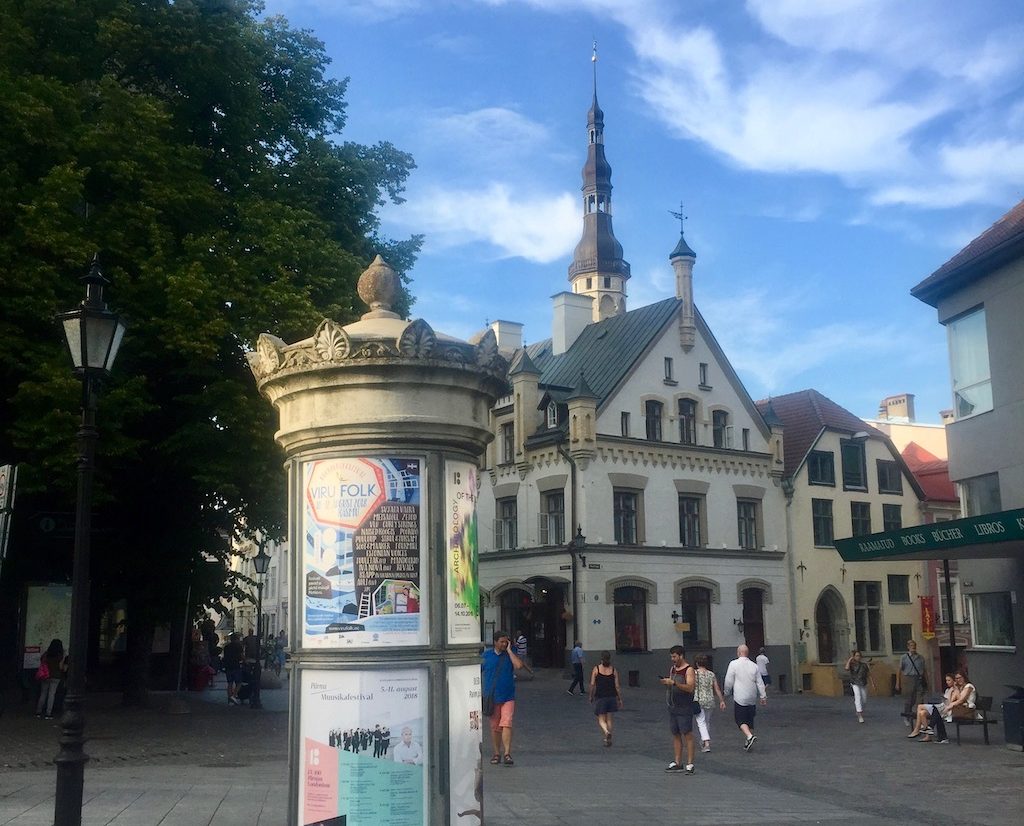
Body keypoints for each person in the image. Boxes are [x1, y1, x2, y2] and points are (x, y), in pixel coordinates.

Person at [482, 629, 525, 766]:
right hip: (492, 696)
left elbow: (519, 665)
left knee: (507, 723)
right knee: (495, 727)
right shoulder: (486, 656)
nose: (504, 644)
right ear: (495, 642)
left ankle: (507, 753)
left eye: (506, 641)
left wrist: (510, 651)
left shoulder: (509, 655)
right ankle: (496, 753)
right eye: (501, 641)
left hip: (508, 695)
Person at [660, 644, 696, 774]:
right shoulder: (673, 669)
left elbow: (690, 687)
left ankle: (690, 763)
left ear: (681, 656)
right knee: (675, 734)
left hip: (684, 706)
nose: (673, 659)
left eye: (674, 656)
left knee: (687, 734)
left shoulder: (689, 670)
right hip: (673, 706)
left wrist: (675, 683)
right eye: (671, 657)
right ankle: (677, 762)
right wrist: (667, 683)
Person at [723, 644, 767, 751]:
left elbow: (729, 680)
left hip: (740, 696)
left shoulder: (733, 664)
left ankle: (749, 736)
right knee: (749, 719)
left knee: (740, 720)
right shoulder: (754, 666)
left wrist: (726, 692)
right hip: (752, 696)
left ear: (738, 653)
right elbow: (760, 682)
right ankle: (748, 741)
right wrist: (763, 696)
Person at [922, 671, 978, 743]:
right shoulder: (959, 688)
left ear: (964, 677)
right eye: (956, 678)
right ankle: (938, 734)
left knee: (937, 711)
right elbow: (952, 700)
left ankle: (934, 730)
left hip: (967, 710)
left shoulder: (969, 686)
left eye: (960, 678)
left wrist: (950, 705)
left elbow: (961, 700)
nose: (958, 680)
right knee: (937, 711)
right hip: (958, 708)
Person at [693, 653, 727, 753]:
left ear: (697, 663)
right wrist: (721, 700)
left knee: (701, 722)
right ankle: (703, 741)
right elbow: (716, 688)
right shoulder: (711, 674)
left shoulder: (694, 673)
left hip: (698, 700)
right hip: (710, 699)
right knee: (706, 721)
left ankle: (706, 743)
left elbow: (692, 686)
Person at [589, 651, 623, 746]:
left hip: (601, 696)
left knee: (601, 719)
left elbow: (592, 684)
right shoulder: (613, 670)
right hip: (612, 697)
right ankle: (607, 740)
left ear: (601, 658)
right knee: (609, 719)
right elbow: (617, 686)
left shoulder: (596, 669)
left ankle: (606, 732)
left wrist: (591, 696)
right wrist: (619, 699)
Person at [909, 673, 955, 738]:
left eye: (949, 680)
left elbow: (950, 702)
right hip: (940, 706)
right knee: (922, 713)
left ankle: (917, 729)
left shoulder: (954, 690)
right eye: (946, 680)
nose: (947, 682)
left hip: (943, 709)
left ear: (954, 681)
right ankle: (928, 735)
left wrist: (950, 692)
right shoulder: (947, 690)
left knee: (920, 706)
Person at [896, 640, 927, 724]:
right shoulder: (904, 657)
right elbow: (899, 670)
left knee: (920, 700)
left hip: (919, 679)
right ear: (908, 647)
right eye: (911, 645)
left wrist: (926, 682)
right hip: (908, 679)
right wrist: (898, 683)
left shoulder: (920, 658)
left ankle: (919, 718)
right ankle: (907, 716)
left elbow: (924, 670)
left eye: (914, 645)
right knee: (909, 700)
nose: (913, 647)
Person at [35, 639, 66, 720]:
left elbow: (42, 661)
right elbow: (61, 667)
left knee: (43, 693)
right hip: (56, 676)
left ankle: (38, 712)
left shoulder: (47, 654)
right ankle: (48, 713)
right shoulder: (60, 655)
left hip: (46, 675)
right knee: (51, 694)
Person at [844, 650, 876, 723]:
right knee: (858, 696)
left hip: (863, 683)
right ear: (854, 657)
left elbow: (868, 674)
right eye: (856, 656)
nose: (858, 657)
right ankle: (859, 714)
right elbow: (846, 668)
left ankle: (860, 710)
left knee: (864, 699)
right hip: (855, 682)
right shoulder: (852, 664)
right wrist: (849, 660)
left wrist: (872, 683)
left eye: (859, 656)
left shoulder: (864, 665)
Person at [222, 632, 244, 705]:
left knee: (230, 683)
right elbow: (241, 656)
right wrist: (245, 661)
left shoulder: (226, 647)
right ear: (237, 639)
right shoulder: (238, 646)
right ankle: (234, 696)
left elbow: (225, 657)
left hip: (228, 666)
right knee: (239, 682)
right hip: (235, 666)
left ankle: (229, 698)